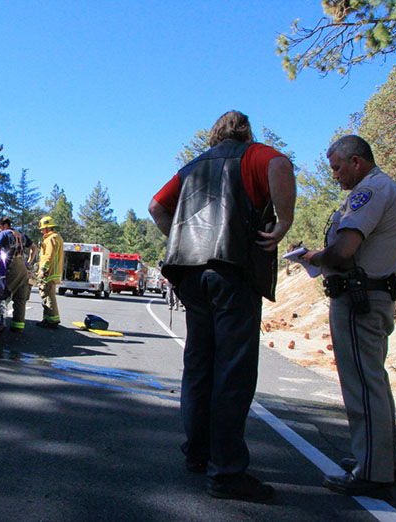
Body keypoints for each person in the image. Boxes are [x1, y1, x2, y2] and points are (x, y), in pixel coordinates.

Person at [149, 110, 295, 502]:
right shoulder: (252, 155)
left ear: (214, 135)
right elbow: (281, 163)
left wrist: (180, 240)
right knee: (233, 370)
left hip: (191, 274)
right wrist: (285, 220)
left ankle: (198, 454)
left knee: (199, 365)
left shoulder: (193, 167)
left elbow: (156, 207)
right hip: (232, 269)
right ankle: (227, 473)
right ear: (245, 133)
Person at [300, 135, 396, 497]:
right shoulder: (382, 189)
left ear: (357, 162)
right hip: (372, 296)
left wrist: (315, 257)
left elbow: (345, 250)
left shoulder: (370, 191)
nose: (334, 175)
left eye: (337, 167)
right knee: (373, 381)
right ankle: (377, 459)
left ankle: (374, 473)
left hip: (358, 299)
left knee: (362, 385)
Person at [0, 217, 38, 333]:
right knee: (20, 298)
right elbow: (34, 248)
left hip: (11, 267)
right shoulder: (22, 235)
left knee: (2, 295)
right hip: (23, 268)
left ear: (5, 225)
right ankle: (18, 326)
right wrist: (28, 262)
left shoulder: (4, 234)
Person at [36, 215, 64, 328]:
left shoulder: (51, 238)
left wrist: (43, 269)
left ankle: (52, 320)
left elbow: (49, 255)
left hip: (49, 272)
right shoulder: (56, 238)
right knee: (47, 295)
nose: (41, 231)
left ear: (48, 228)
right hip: (52, 272)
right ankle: (47, 319)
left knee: (48, 296)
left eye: (43, 228)